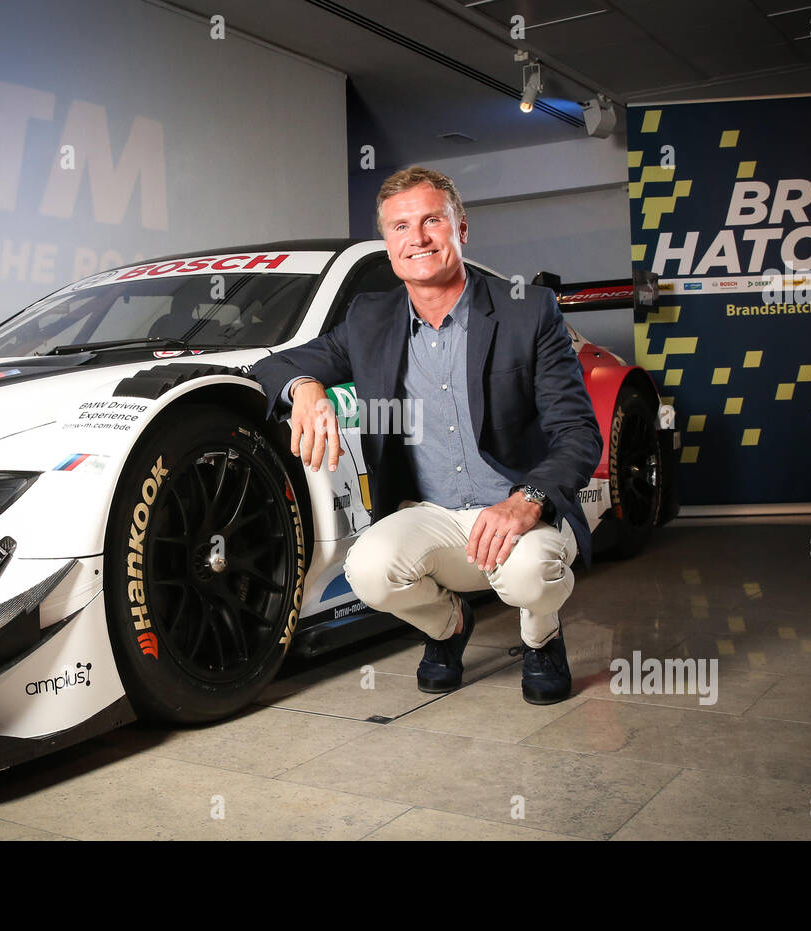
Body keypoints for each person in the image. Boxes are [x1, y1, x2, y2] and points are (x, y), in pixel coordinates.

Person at [251, 167, 601, 704]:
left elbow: (577, 432)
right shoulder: (371, 318)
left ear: (461, 228)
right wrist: (306, 389)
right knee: (368, 570)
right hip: (431, 513)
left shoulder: (527, 311)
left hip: (519, 506)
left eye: (431, 220)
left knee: (533, 573)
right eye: (399, 227)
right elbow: (280, 364)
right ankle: (448, 627)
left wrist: (526, 502)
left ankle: (541, 637)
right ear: (388, 244)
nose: (416, 238)